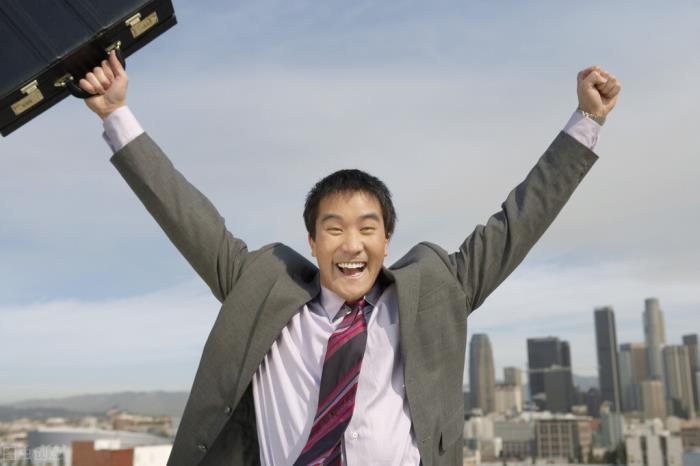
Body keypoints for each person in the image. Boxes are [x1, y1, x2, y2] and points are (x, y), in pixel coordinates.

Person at [79, 51, 620, 466]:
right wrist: (116, 114)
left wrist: (587, 120)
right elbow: (185, 214)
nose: (352, 244)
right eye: (334, 229)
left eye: (367, 228)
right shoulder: (259, 288)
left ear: (387, 241)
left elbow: (516, 224)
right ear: (312, 242)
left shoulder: (436, 293)